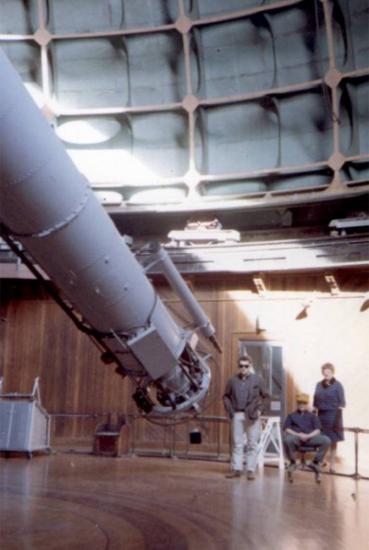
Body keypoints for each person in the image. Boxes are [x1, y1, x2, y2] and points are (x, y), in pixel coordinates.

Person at [223, 354, 269, 480]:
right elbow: (226, 396)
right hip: (237, 414)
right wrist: (230, 411)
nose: (243, 368)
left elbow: (266, 396)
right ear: (238, 366)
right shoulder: (232, 381)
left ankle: (250, 470)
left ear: (250, 366)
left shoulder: (258, 380)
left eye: (246, 366)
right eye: (241, 366)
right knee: (237, 444)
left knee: (252, 443)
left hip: (252, 415)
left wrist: (260, 410)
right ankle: (236, 469)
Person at [283, 393, 331, 475]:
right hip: (297, 438)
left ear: (307, 404)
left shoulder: (312, 416)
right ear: (297, 403)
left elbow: (318, 430)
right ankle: (292, 462)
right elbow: (287, 429)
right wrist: (298, 435)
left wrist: (308, 436)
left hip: (310, 438)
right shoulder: (291, 416)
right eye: (300, 403)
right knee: (287, 440)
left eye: (304, 403)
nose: (302, 405)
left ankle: (315, 462)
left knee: (326, 440)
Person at [313, 363, 346, 472]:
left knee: (333, 440)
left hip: (333, 416)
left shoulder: (338, 385)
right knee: (322, 439)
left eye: (328, 372)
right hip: (321, 416)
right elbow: (315, 401)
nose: (326, 373)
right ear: (323, 372)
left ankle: (332, 465)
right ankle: (321, 462)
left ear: (332, 372)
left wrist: (336, 415)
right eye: (324, 372)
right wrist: (314, 414)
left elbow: (342, 403)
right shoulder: (318, 384)